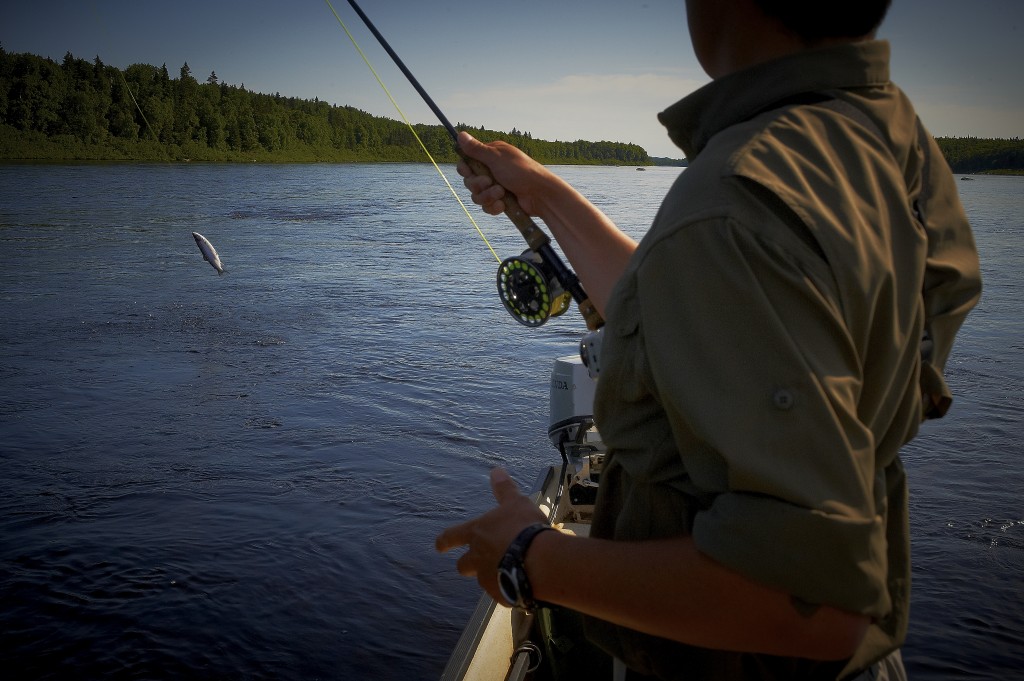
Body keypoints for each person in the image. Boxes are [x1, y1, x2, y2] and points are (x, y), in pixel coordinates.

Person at [435, 0, 982, 678]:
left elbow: (808, 599)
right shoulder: (886, 139)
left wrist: (527, 555)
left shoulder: (738, 197)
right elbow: (715, 303)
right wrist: (543, 192)